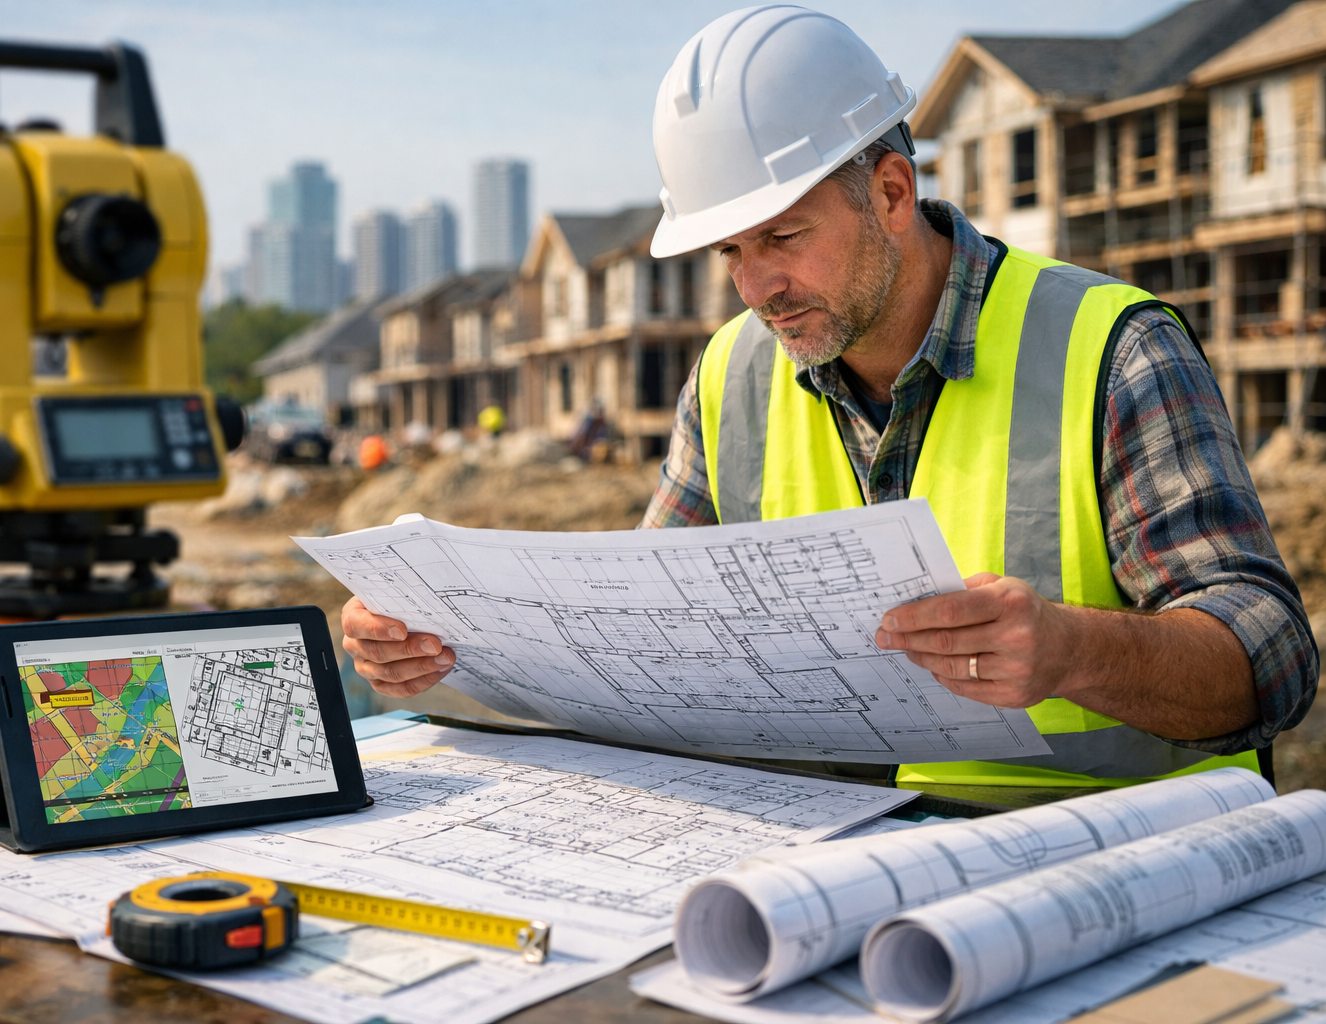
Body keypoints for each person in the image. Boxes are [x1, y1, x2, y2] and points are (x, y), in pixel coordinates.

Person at [344, 7, 1317, 787]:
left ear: (893, 193)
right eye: (730, 250)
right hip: (825, 866)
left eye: (781, 238)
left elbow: (1272, 661)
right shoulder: (730, 375)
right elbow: (639, 646)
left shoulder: (1111, 349)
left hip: (1100, 873)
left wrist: (1072, 652)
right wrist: (446, 639)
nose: (753, 286)